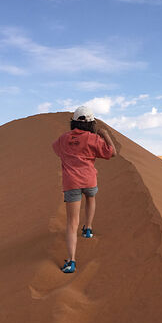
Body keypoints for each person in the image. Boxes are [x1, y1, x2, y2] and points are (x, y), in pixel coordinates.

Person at [52, 106, 116, 273]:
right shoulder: (93, 138)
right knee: (91, 198)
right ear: (90, 123)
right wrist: (105, 135)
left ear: (73, 122)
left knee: (72, 224)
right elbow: (111, 153)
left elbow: (56, 150)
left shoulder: (63, 139)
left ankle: (71, 261)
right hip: (89, 179)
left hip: (71, 182)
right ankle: (88, 229)